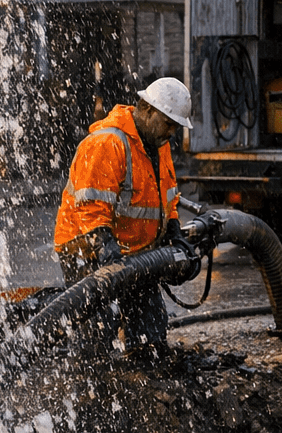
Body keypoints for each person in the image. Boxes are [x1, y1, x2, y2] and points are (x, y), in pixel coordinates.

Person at [53, 77, 193, 353]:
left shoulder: (158, 144)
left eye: (176, 126)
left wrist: (174, 232)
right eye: (169, 124)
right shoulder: (108, 142)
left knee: (150, 328)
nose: (172, 132)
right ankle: (89, 372)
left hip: (135, 254)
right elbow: (91, 208)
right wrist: (106, 249)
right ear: (148, 109)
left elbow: (167, 197)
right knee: (98, 327)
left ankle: (143, 371)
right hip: (87, 251)